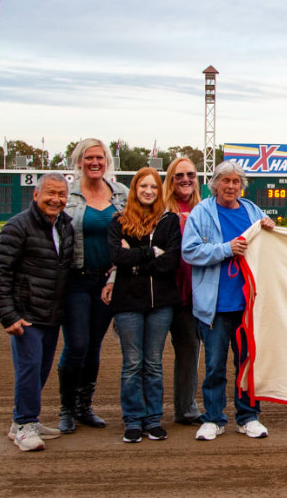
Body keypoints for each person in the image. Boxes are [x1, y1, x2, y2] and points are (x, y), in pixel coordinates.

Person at [182, 161, 275, 441]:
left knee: (247, 365)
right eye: (226, 181)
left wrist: (271, 226)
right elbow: (190, 251)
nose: (231, 186)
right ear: (215, 184)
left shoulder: (252, 211)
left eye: (236, 182)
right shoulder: (201, 213)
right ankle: (213, 418)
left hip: (248, 306)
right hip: (215, 307)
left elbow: (269, 243)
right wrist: (226, 249)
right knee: (214, 365)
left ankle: (248, 417)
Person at [0, 174, 75, 451]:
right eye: (50, 193)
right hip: (26, 314)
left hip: (51, 314)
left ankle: (21, 423)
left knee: (40, 369)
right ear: (35, 195)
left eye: (62, 194)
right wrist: (8, 315)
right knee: (28, 369)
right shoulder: (17, 227)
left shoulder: (65, 226)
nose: (56, 199)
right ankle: (26, 424)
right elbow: (0, 275)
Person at [105, 168, 182, 443]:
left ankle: (153, 420)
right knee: (132, 363)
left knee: (153, 363)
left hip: (161, 302)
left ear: (159, 191)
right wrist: (151, 252)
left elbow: (170, 262)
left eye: (153, 187)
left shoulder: (169, 220)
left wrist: (134, 258)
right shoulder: (119, 221)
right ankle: (133, 421)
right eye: (143, 186)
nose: (148, 191)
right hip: (127, 302)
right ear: (135, 190)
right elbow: (116, 256)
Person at [58, 138, 128, 433]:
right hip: (76, 279)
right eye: (89, 158)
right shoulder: (67, 194)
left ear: (106, 161)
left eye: (99, 157)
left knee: (94, 345)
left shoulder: (121, 194)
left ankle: (85, 405)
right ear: (79, 161)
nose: (94, 162)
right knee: (76, 345)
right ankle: (66, 408)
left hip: (108, 281)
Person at [162, 157, 204, 426]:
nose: (185, 179)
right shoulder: (158, 208)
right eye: (179, 175)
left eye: (190, 174)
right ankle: (146, 412)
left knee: (189, 351)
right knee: (149, 357)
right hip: (160, 291)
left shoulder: (204, 209)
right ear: (170, 179)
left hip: (191, 294)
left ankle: (186, 409)